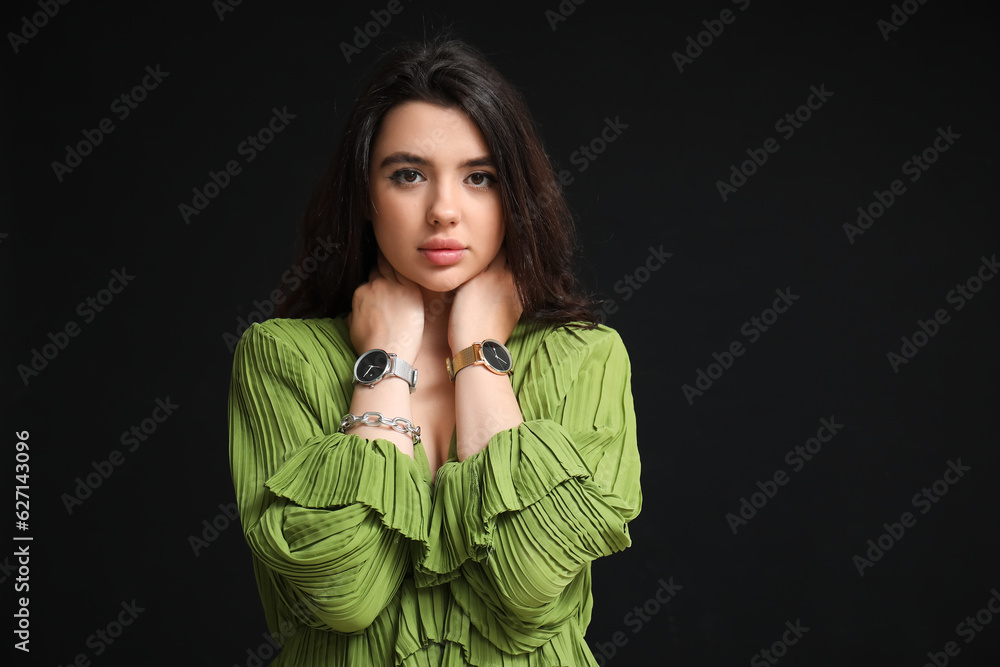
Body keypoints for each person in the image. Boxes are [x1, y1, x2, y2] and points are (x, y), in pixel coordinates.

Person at [228, 36, 642, 666]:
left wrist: (478, 351)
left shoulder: (586, 358)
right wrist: (385, 361)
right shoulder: (281, 358)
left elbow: (528, 584)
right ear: (367, 198)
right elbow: (345, 595)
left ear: (515, 199)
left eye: (480, 178)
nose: (443, 210)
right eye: (409, 174)